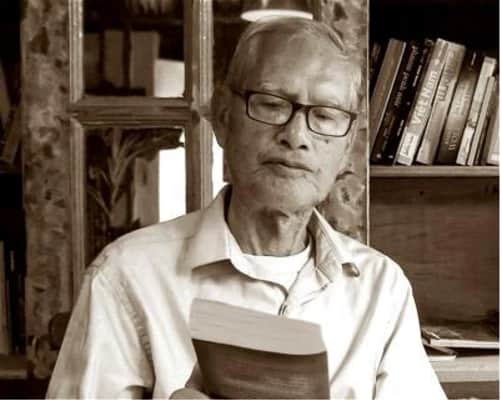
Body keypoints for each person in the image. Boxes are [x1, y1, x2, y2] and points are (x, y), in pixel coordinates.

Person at [47, 17, 446, 399]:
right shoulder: (127, 276)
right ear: (223, 118)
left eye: (325, 116)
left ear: (346, 150)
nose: (295, 136)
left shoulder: (381, 288)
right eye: (272, 104)